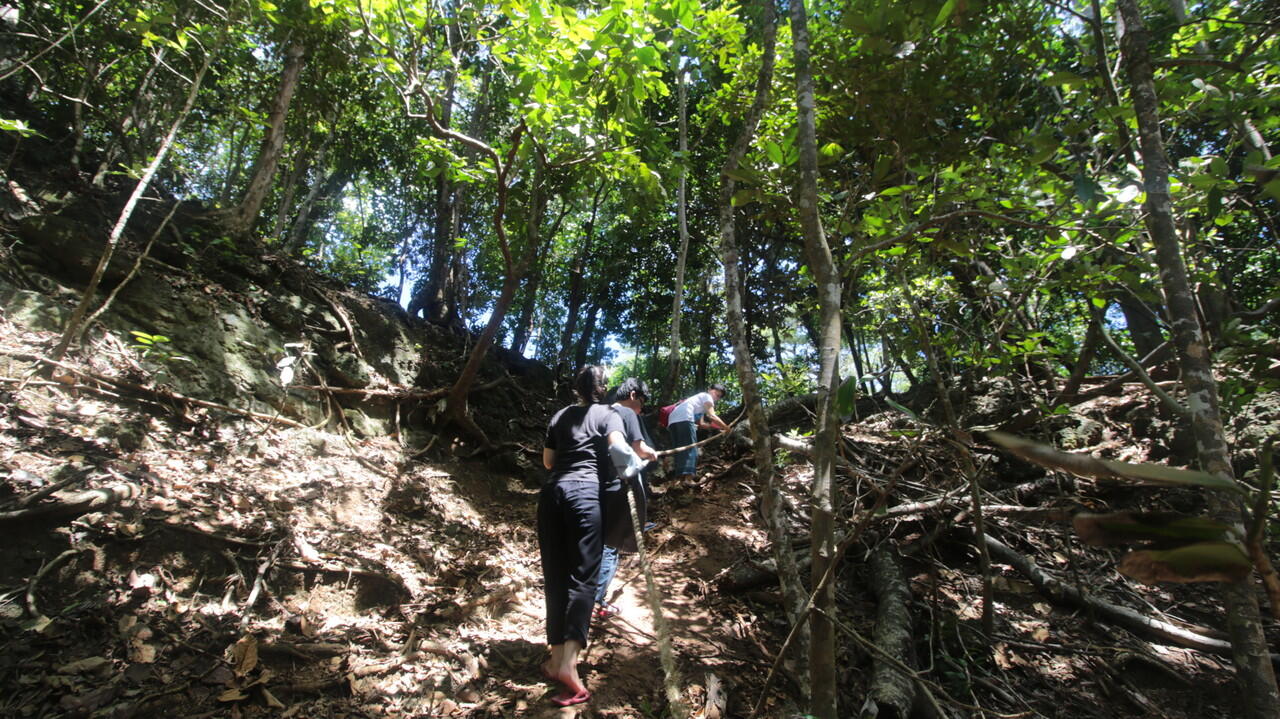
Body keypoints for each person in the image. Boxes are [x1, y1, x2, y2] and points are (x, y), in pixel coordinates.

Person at [538, 365, 628, 707]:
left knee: (556, 575)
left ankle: (554, 657)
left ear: (576, 388)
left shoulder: (560, 415)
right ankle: (568, 665)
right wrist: (637, 462)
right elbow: (618, 450)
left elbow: (548, 461)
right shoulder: (609, 414)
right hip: (585, 496)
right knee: (584, 576)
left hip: (552, 495)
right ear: (603, 388)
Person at [594, 378, 658, 619]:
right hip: (617, 487)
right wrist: (651, 454)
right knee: (610, 546)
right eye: (641, 403)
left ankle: (580, 596)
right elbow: (639, 448)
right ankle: (596, 602)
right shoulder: (628, 414)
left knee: (592, 542)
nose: (641, 409)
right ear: (633, 395)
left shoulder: (598, 412)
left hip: (591, 486)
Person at [666, 383, 730, 484]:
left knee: (681, 449)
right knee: (691, 448)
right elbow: (712, 416)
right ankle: (688, 479)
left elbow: (702, 424)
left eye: (718, 397)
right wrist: (727, 428)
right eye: (715, 394)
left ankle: (679, 479)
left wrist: (718, 429)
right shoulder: (706, 396)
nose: (716, 397)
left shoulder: (698, 401)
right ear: (709, 390)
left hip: (672, 421)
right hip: (685, 418)